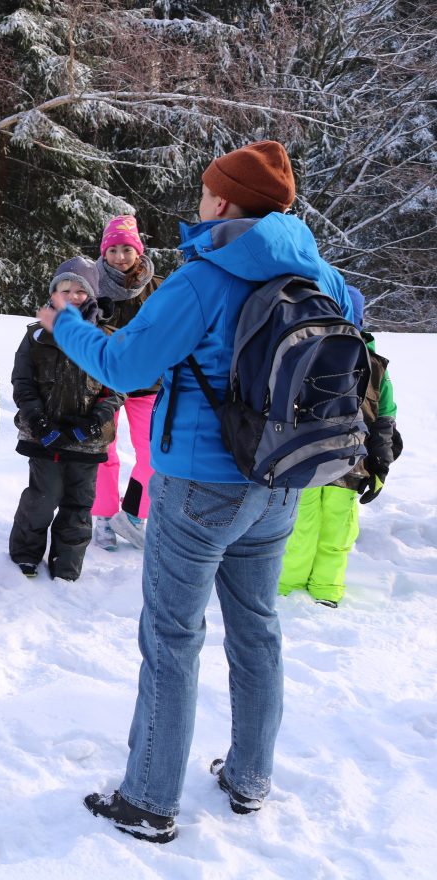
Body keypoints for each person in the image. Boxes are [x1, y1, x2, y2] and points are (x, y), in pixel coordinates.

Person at [41, 141, 357, 842]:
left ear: (222, 202)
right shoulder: (327, 278)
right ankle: (250, 777)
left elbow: (126, 365)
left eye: (209, 189)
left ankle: (150, 799)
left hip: (198, 485)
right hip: (282, 479)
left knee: (171, 637)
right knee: (257, 631)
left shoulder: (204, 280)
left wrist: (64, 323)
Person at [278, 286, 401, 608]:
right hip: (306, 458)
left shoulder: (375, 367)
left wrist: (381, 461)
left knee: (338, 529)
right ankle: (287, 585)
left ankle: (326, 588)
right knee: (300, 525)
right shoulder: (303, 355)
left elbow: (384, 417)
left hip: (352, 461)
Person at [9, 257, 122, 582]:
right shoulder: (36, 336)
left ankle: (67, 566)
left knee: (78, 506)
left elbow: (116, 385)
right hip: (44, 436)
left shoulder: (107, 337)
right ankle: (25, 555)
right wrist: (37, 419)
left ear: (92, 294)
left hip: (87, 440)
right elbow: (23, 382)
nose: (72, 296)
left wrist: (95, 420)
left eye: (80, 290)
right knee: (42, 499)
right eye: (64, 289)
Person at [90, 216, 164, 552]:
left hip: (148, 383)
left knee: (154, 453)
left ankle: (134, 514)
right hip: (104, 383)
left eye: (127, 249)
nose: (120, 256)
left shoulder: (156, 286)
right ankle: (103, 515)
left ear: (139, 250)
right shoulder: (91, 284)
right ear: (104, 252)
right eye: (114, 249)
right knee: (103, 451)